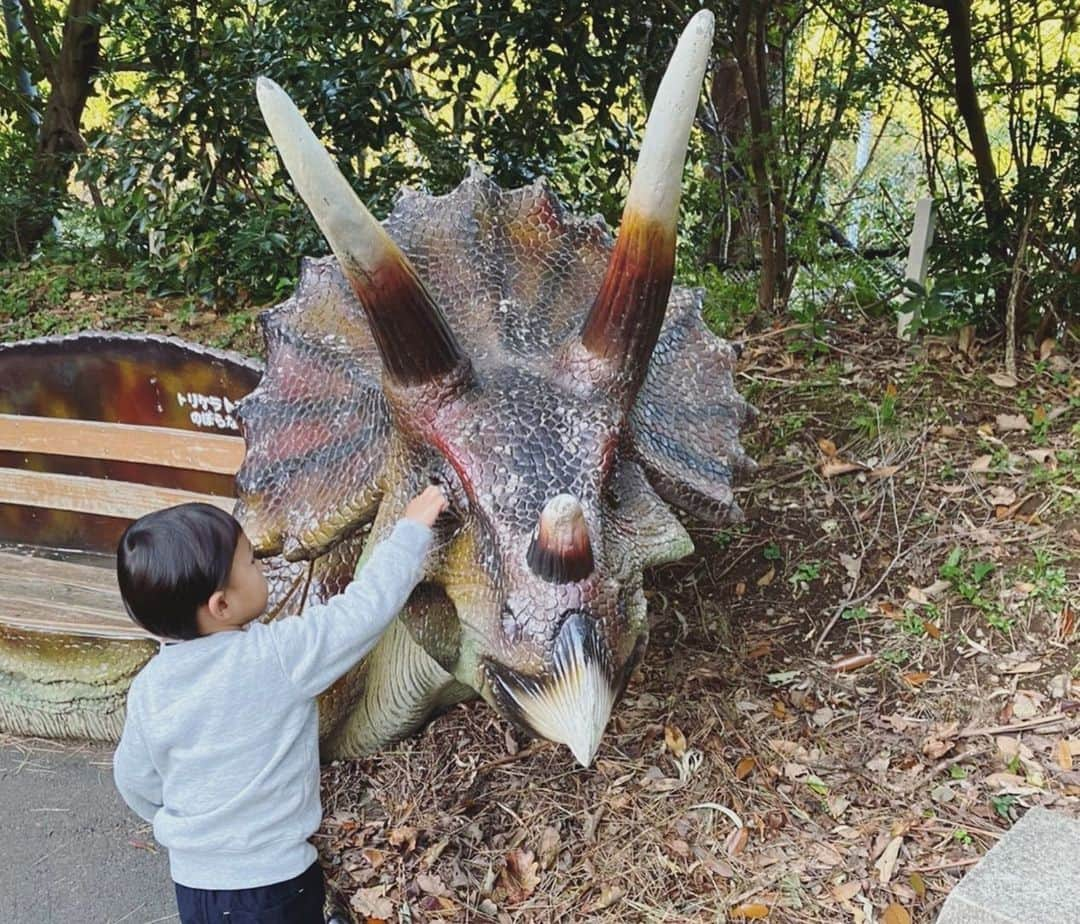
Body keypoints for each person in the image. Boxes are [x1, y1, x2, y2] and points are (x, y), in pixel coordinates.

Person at [112, 485, 448, 924]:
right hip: (275, 884)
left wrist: (191, 826)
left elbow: (133, 779)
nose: (261, 566)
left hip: (196, 885)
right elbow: (362, 612)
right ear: (222, 604)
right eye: (250, 561)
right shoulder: (276, 657)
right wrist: (410, 531)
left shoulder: (149, 689)